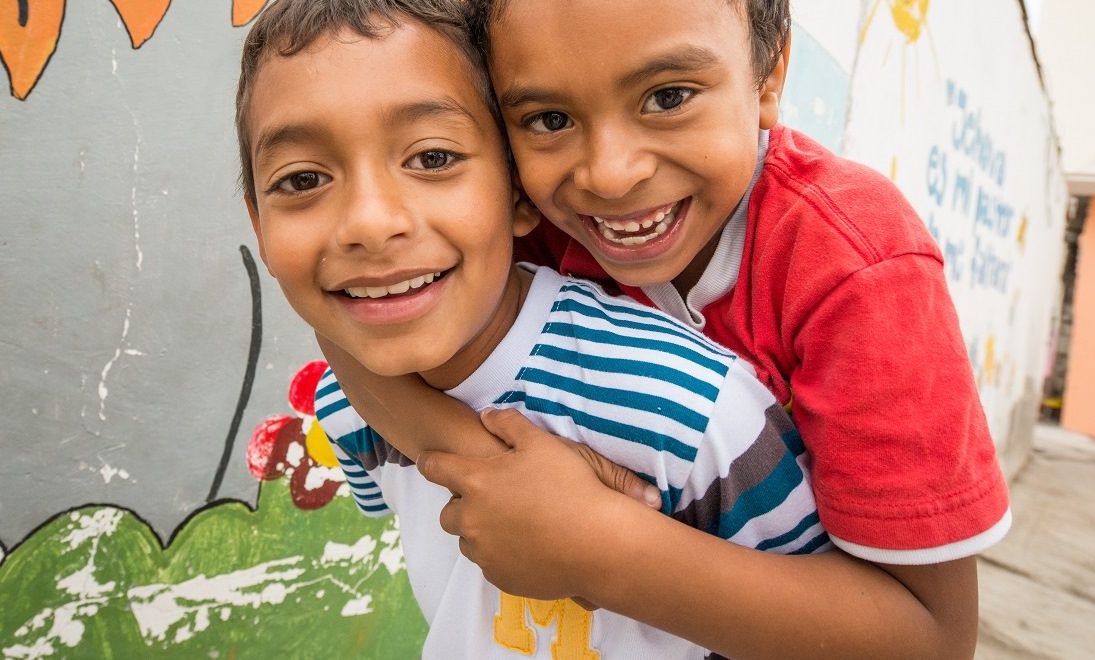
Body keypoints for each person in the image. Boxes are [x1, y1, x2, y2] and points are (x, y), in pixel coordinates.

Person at [321, 0, 1012, 658]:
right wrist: (498, 479)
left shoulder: (856, 264)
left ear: (769, 72)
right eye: (550, 117)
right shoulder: (529, 221)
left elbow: (930, 637)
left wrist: (599, 545)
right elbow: (351, 318)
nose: (611, 175)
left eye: (669, 97)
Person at [235, 0, 833, 656]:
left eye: (432, 159)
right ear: (257, 222)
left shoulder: (691, 409)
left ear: (518, 191)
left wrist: (605, 550)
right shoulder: (346, 409)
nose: (370, 224)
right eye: (302, 179)